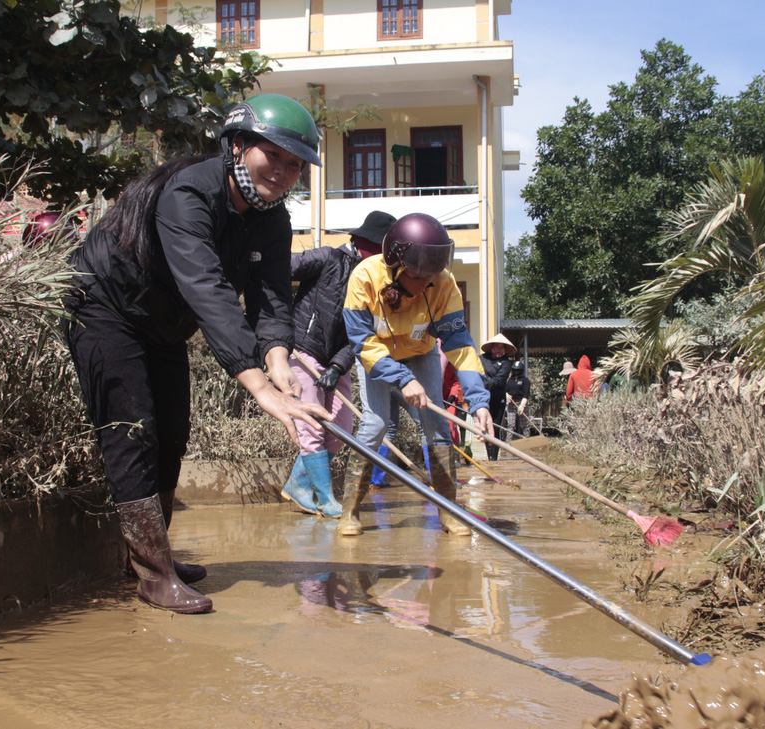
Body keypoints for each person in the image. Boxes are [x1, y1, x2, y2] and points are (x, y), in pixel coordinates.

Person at [63, 94, 331, 614]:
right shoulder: (187, 192)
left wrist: (279, 363)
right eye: (272, 155)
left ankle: (146, 552)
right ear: (237, 146)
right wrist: (256, 385)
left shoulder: (271, 219)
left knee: (172, 431)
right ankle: (153, 574)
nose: (282, 171)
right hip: (104, 308)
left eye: (295, 164)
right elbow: (207, 289)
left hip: (162, 325)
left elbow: (273, 296)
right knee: (132, 430)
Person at [341, 212, 493, 537]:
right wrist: (402, 379)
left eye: (432, 276)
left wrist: (479, 401)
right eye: (419, 276)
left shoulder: (444, 284)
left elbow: (459, 343)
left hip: (420, 352)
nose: (428, 283)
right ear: (396, 265)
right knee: (376, 423)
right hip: (377, 357)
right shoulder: (364, 277)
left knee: (438, 426)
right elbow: (361, 341)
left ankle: (448, 512)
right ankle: (350, 509)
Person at [281, 211, 396, 517]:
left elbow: (360, 335)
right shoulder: (328, 258)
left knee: (342, 427)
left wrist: (337, 367)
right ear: (360, 242)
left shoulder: (374, 285)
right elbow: (284, 268)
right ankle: (323, 495)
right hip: (304, 349)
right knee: (311, 424)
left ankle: (297, 484)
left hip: (335, 360)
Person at [479, 333, 515, 460]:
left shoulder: (506, 363)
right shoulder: (482, 359)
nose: (499, 349)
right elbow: (478, 373)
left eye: (502, 347)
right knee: (486, 427)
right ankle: (489, 455)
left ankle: (494, 456)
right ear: (492, 347)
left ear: (505, 349)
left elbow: (500, 379)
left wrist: (487, 384)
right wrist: (483, 386)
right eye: (496, 347)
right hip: (484, 397)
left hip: (498, 397)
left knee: (496, 426)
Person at [504, 360, 531, 440]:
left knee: (525, 424)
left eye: (518, 370)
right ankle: (508, 442)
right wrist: (507, 395)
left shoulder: (525, 381)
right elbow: (506, 390)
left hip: (521, 404)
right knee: (510, 424)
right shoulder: (510, 380)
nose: (516, 372)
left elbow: (526, 394)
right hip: (511, 405)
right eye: (514, 370)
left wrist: (522, 405)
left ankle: (527, 441)